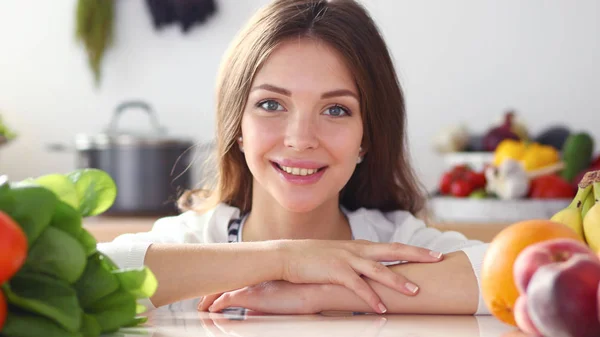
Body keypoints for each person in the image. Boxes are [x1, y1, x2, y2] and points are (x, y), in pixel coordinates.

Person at [98, 0, 490, 316]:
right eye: (271, 104)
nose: (300, 139)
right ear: (237, 124)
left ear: (366, 137)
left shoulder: (396, 243)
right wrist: (286, 259)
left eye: (336, 109)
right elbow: (83, 275)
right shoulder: (196, 241)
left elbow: (516, 274)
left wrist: (322, 292)